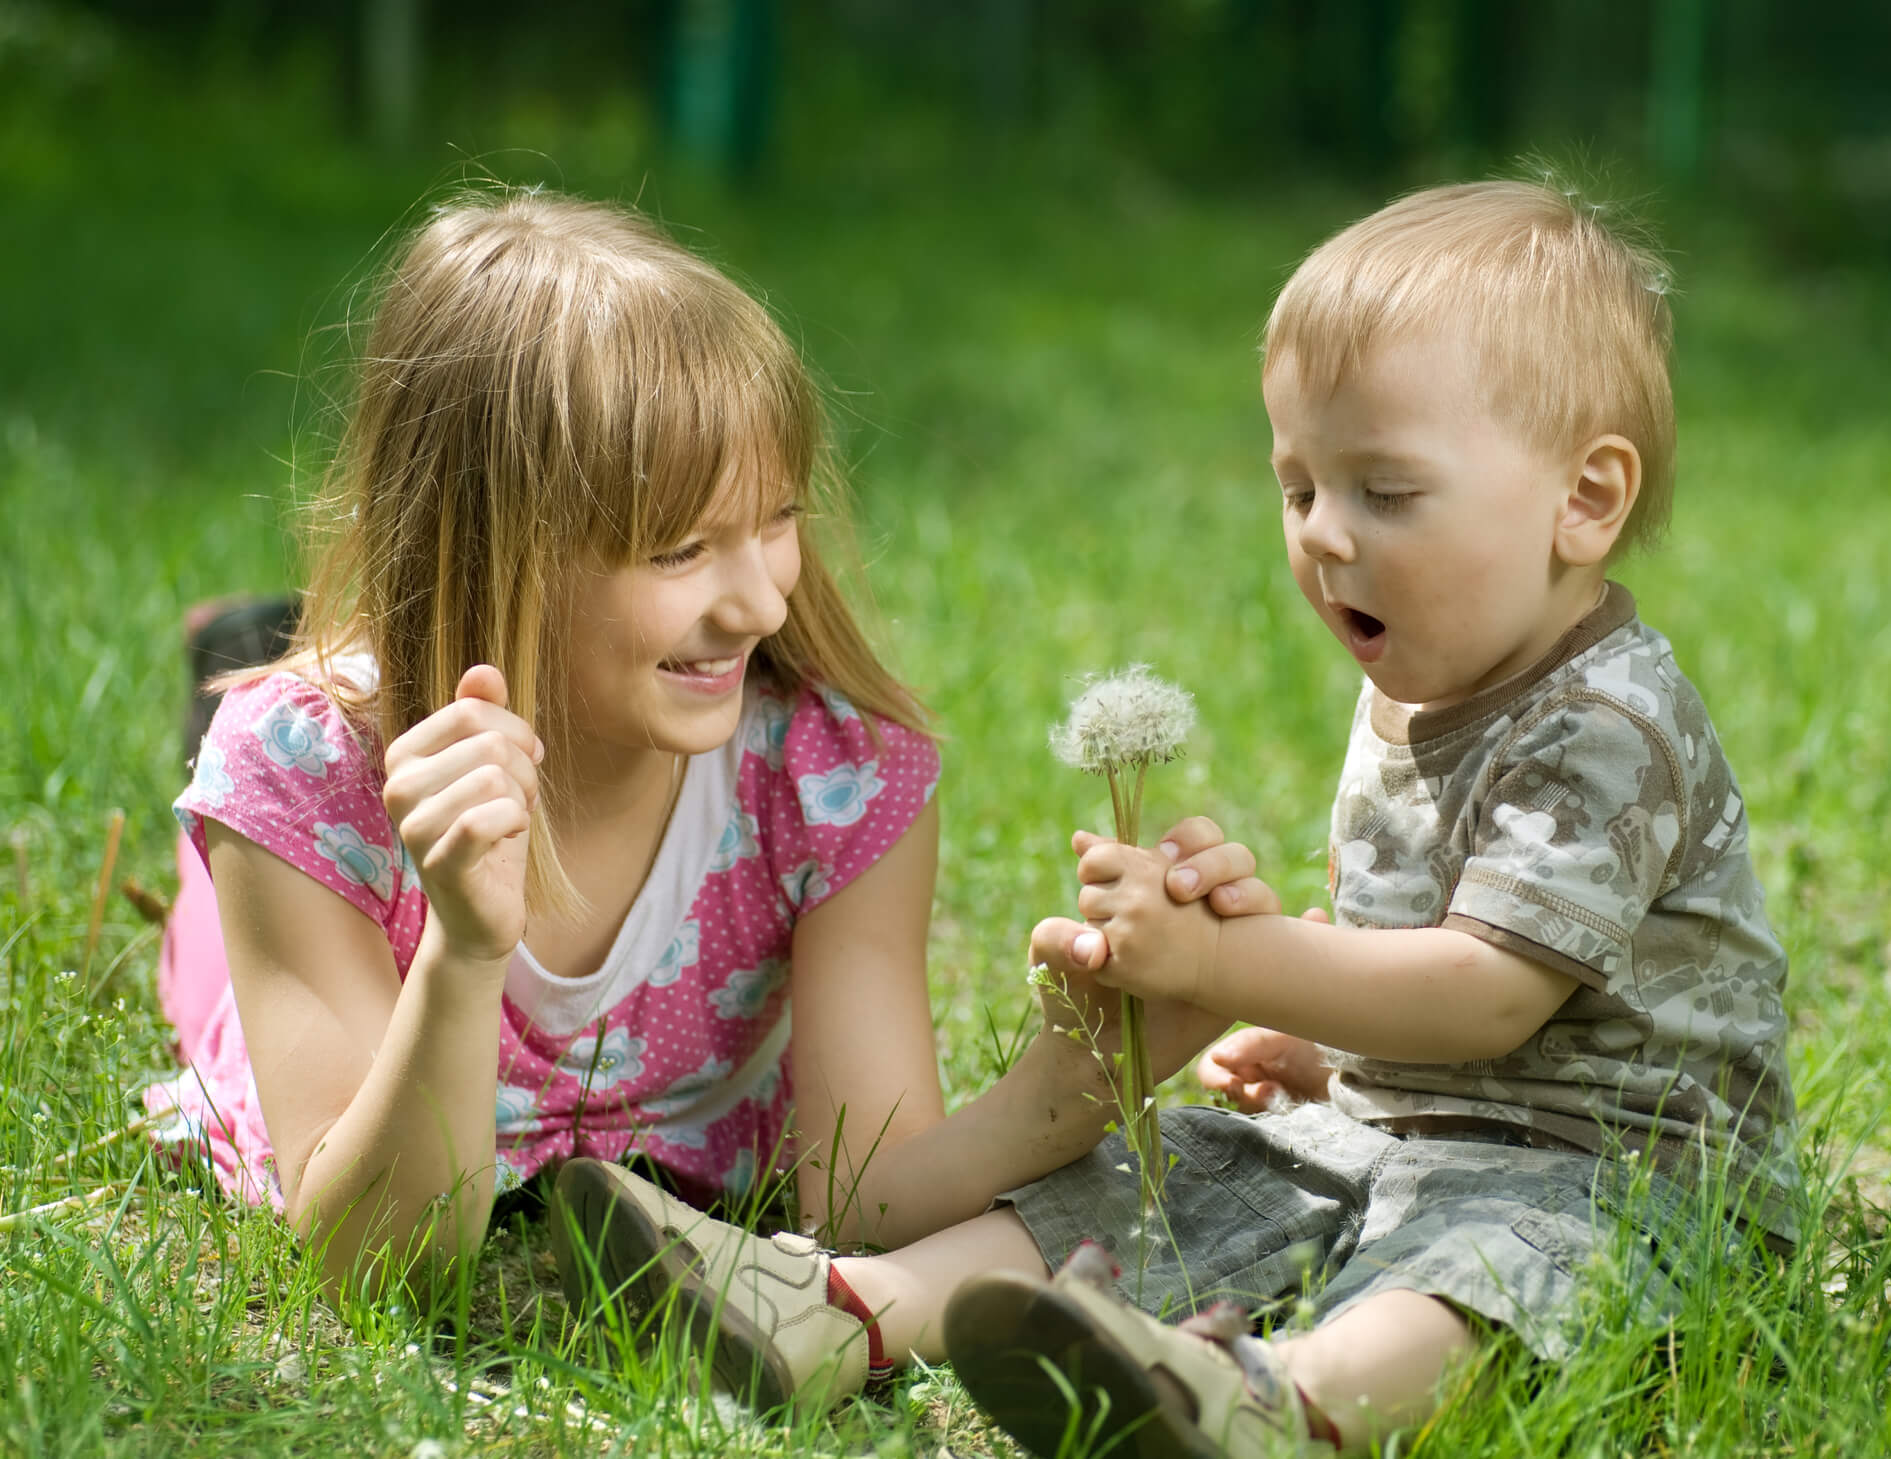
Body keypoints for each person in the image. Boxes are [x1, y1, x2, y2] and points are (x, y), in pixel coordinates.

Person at [552, 178, 1800, 1455]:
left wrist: (1229, 960)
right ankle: (845, 1308)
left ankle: (1284, 1400)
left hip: (1631, 1181)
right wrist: (1325, 1056)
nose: (1323, 536)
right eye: (1300, 485)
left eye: (1386, 491)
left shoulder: (1606, 724)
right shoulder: (1425, 682)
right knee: (1180, 1163)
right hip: (1411, 1134)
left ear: (1584, 499)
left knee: (1486, 1260)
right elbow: (1428, 982)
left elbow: (1489, 993)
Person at [144, 189, 1254, 1299]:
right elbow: (376, 1265)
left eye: (776, 520)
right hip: (335, 862)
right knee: (212, 945)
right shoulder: (305, 776)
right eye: (680, 551)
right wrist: (463, 952)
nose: (762, 606)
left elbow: (864, 1196)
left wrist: (1091, 1073)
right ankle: (256, 654)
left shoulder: (824, 776)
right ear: (490, 549)